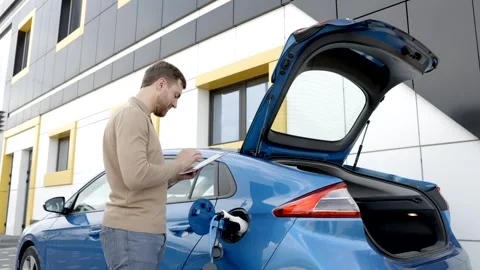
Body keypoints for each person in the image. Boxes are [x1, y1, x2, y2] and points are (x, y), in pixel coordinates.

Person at [100, 60, 202, 269]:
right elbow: (136, 177)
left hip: (141, 233)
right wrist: (178, 163)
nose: (175, 104)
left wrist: (177, 175)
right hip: (132, 232)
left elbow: (142, 181)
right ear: (161, 84)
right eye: (176, 95)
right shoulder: (131, 115)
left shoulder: (140, 118)